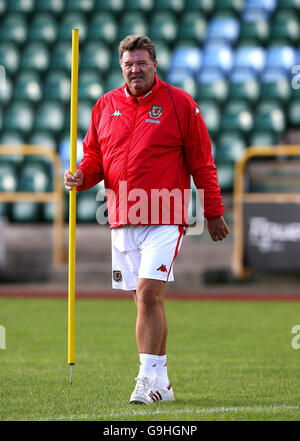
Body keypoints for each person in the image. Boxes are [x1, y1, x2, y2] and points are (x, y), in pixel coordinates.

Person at [64, 34, 230, 405]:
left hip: (164, 215)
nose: (134, 70)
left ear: (154, 64)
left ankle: (143, 380)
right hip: (121, 216)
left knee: (150, 294)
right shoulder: (105, 105)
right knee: (145, 301)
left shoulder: (180, 103)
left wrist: (213, 212)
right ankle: (163, 383)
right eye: (128, 64)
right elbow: (94, 158)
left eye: (141, 63)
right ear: (120, 67)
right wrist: (81, 176)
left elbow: (202, 162)